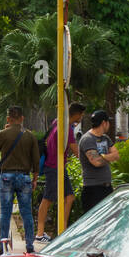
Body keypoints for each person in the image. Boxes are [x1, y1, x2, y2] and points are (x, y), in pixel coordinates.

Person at [0, 106, 39, 255]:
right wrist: (35, 178)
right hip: (24, 177)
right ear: (22, 118)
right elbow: (35, 160)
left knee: (5, 212)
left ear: (8, 119)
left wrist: (4, 132)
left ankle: (2, 245)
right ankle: (29, 245)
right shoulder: (30, 136)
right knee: (26, 213)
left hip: (6, 177)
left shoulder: (3, 134)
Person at [36, 102, 83, 241]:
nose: (82, 117)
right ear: (77, 114)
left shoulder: (58, 122)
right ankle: (39, 233)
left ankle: (62, 231)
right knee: (47, 199)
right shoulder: (66, 127)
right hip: (54, 167)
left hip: (58, 166)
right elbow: (75, 150)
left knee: (69, 197)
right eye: (81, 114)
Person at [79, 110, 119, 213]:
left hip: (107, 187)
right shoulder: (87, 139)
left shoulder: (105, 138)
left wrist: (103, 156)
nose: (109, 124)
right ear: (104, 123)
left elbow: (116, 155)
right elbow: (96, 162)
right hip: (93, 189)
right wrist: (109, 157)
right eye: (108, 122)